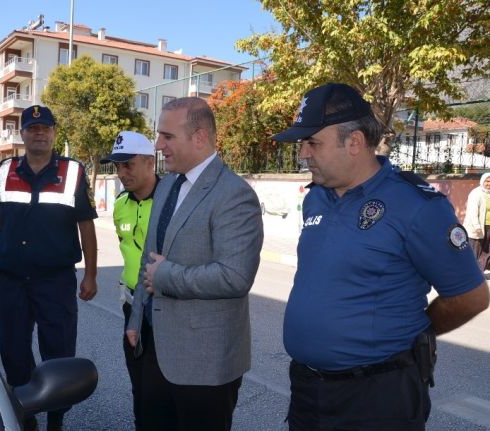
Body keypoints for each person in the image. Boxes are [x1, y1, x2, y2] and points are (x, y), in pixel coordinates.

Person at [272, 82, 490, 430]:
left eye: (312, 142)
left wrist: (413, 332)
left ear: (355, 142)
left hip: (377, 398)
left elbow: (471, 296)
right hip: (308, 390)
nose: (303, 154)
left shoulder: (417, 207)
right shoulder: (316, 197)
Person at [125, 97, 263, 431]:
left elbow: (235, 276)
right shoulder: (168, 184)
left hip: (205, 364)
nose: (159, 145)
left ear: (199, 137)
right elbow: (149, 254)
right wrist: (137, 316)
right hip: (154, 348)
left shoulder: (234, 194)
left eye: (167, 137)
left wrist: (167, 277)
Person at [0, 105, 98, 431]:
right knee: (14, 353)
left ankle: (56, 418)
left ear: (55, 132)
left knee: (58, 353)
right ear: (23, 134)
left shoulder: (73, 172)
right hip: (11, 280)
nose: (39, 133)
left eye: (45, 128)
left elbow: (86, 226)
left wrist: (92, 274)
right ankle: (26, 417)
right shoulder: (4, 170)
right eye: (32, 128)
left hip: (55, 281)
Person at [99, 130, 159, 430]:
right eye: (117, 166)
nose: (121, 173)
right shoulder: (121, 203)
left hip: (163, 308)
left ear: (150, 162)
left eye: (128, 165)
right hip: (131, 305)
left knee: (162, 385)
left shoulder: (171, 201)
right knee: (138, 381)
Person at [463, 172, 490, 274]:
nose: (489, 183)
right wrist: (477, 226)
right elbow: (472, 211)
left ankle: (479, 271)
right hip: (477, 227)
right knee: (476, 249)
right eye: (487, 181)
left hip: (488, 227)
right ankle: (472, 272)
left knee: (486, 250)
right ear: (482, 181)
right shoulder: (476, 193)